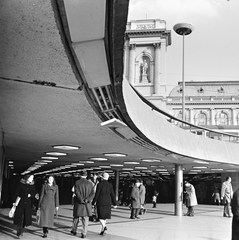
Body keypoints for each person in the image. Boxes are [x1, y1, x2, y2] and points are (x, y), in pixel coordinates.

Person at [71, 170, 95, 238]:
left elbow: (77, 192)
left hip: (79, 203)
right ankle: (84, 233)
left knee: (76, 217)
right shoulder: (90, 183)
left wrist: (81, 200)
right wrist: (87, 200)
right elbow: (93, 193)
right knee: (85, 219)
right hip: (87, 204)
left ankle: (74, 230)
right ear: (86, 175)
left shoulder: (77, 182)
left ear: (80, 175)